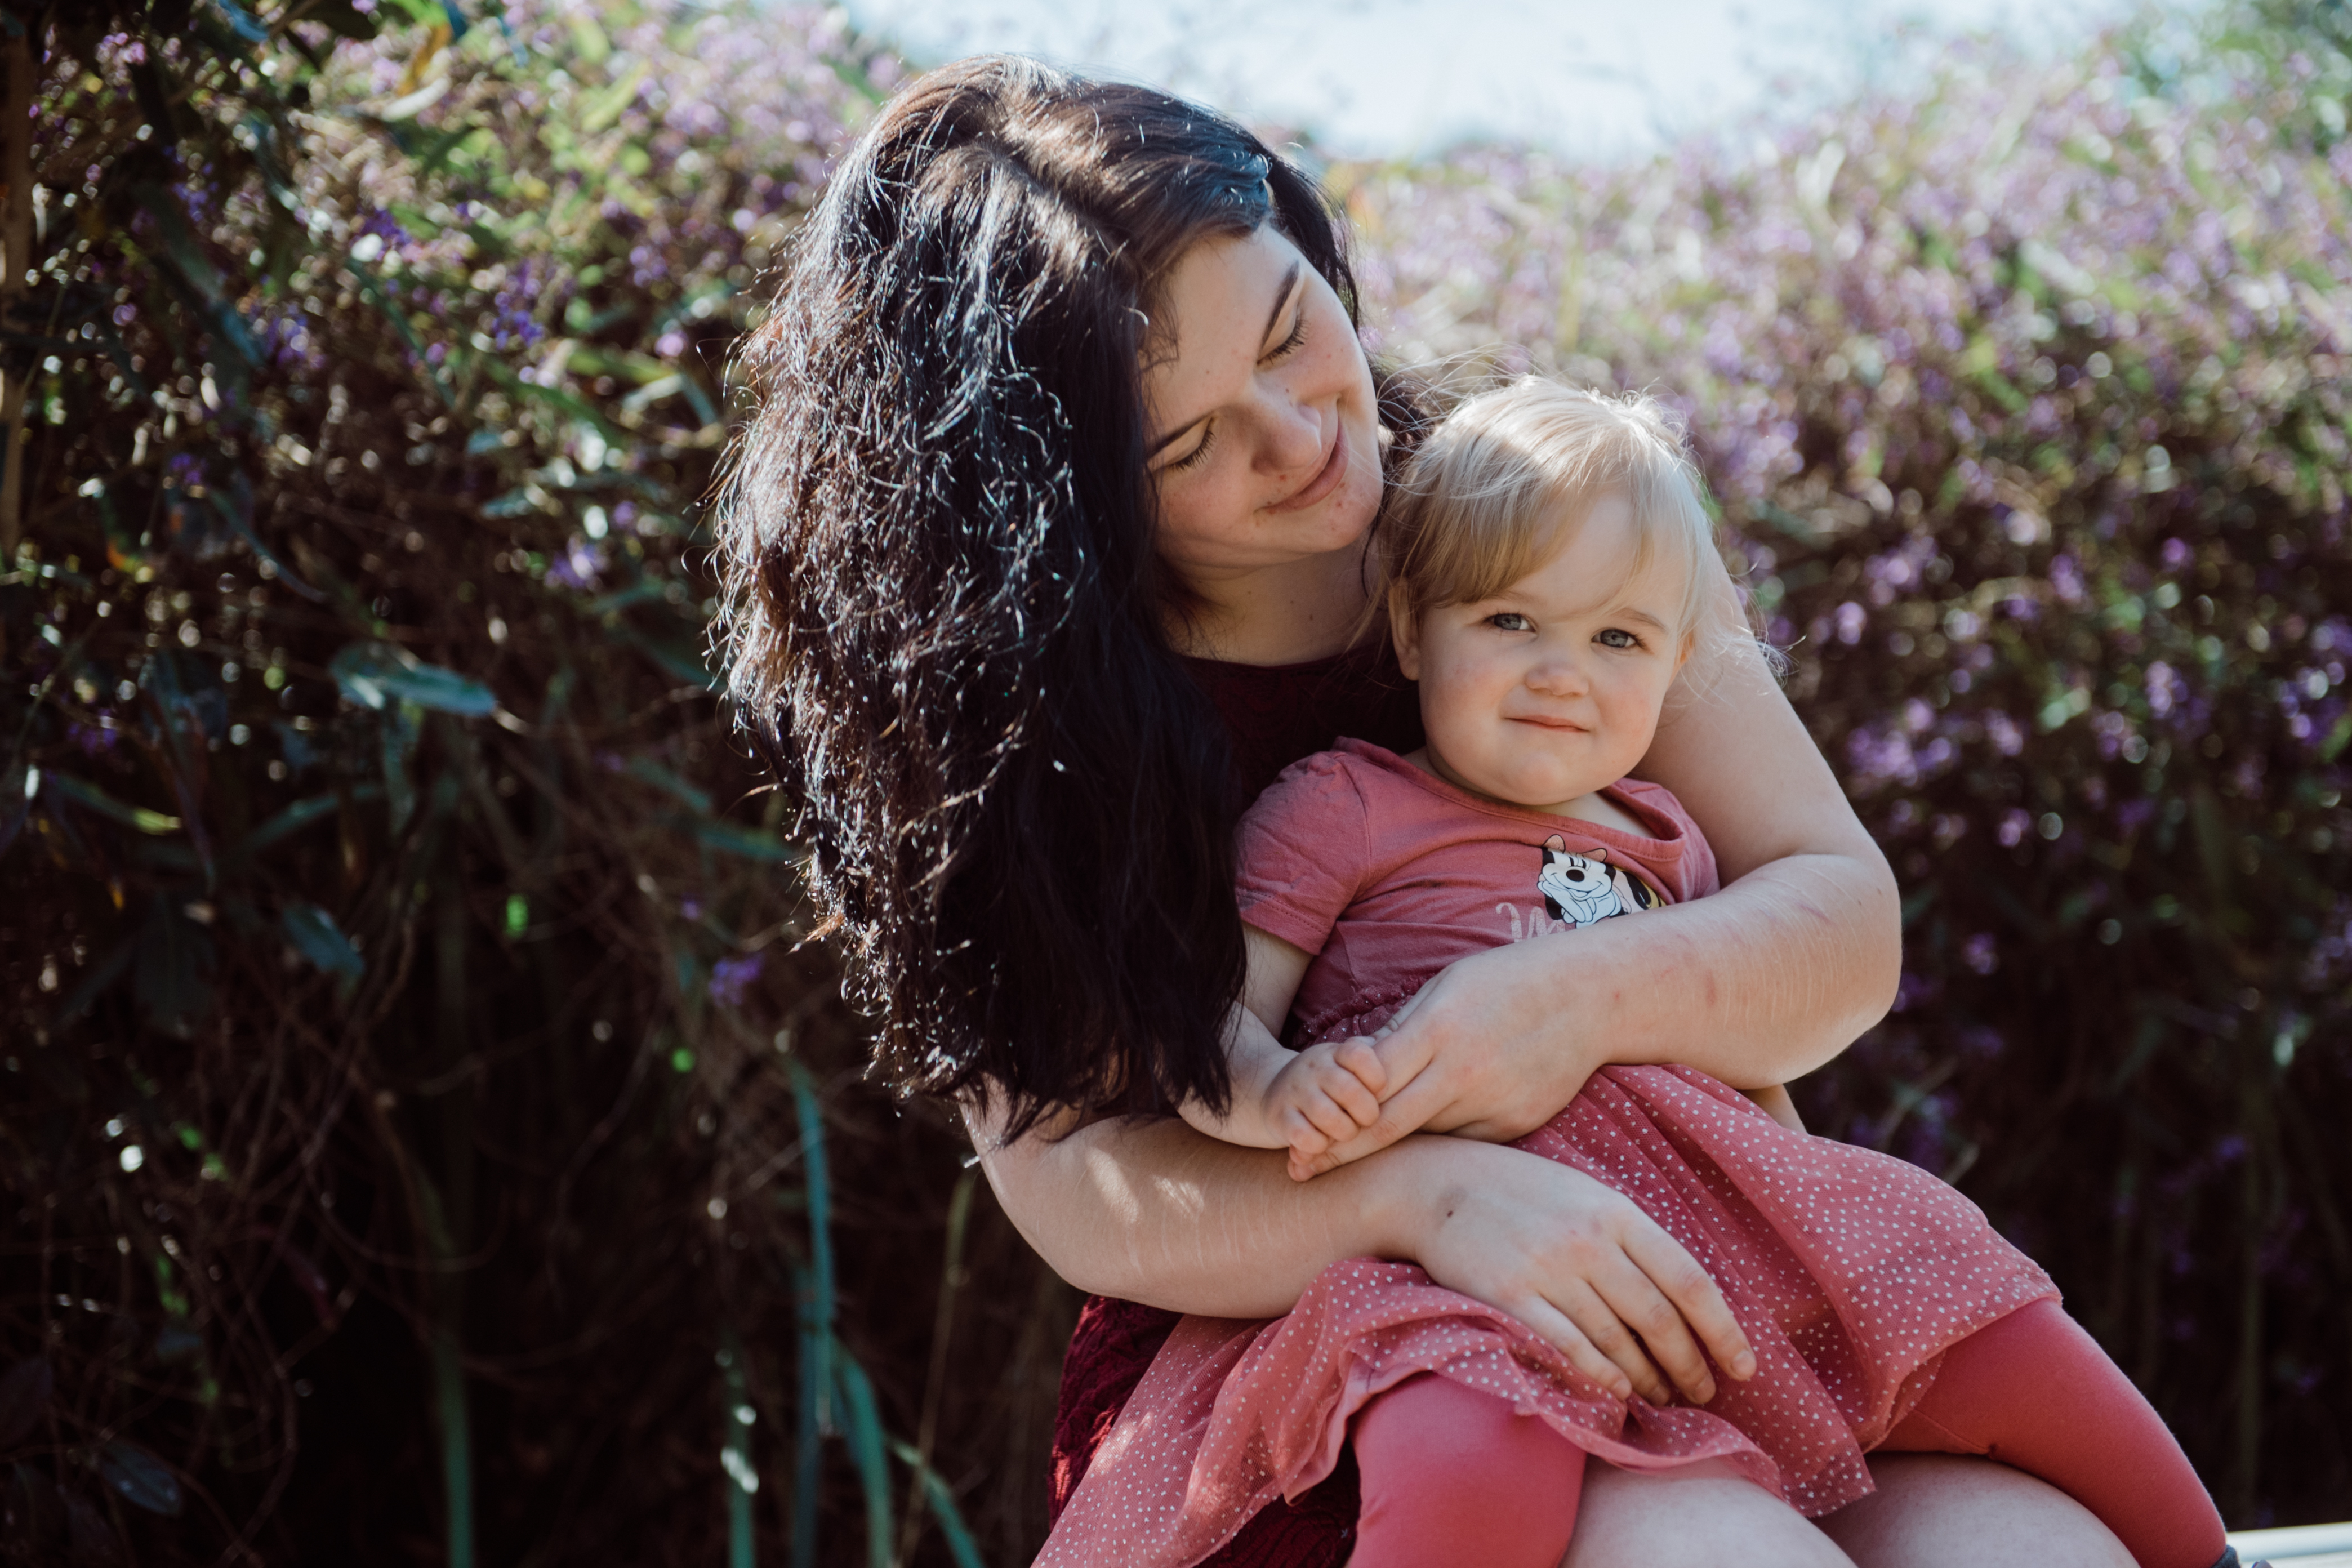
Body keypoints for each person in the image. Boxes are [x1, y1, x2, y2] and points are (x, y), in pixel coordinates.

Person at [716, 54, 2198, 1566]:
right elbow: (1082, 1178)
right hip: (1335, 1371)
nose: (1301, 437)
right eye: (1191, 445)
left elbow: (1839, 923)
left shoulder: (1544, 514)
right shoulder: (1029, 722)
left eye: (1295, 334)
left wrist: (1572, 999)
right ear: (1069, 500)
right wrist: (1427, 1198)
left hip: (1707, 1276)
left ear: (1308, 237)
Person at [1048, 378, 2228, 1568]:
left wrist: (1808, 1199)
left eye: (1616, 638)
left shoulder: (1668, 836)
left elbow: (1743, 1056)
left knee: (1986, 1317)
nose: (1563, 672)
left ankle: (2205, 1555)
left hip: (1697, 1227)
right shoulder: (1347, 804)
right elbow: (1204, 1018)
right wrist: (1273, 1092)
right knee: (1464, 1447)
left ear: (1674, 667)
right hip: (1458, 1248)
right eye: (1511, 622)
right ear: (1413, 629)